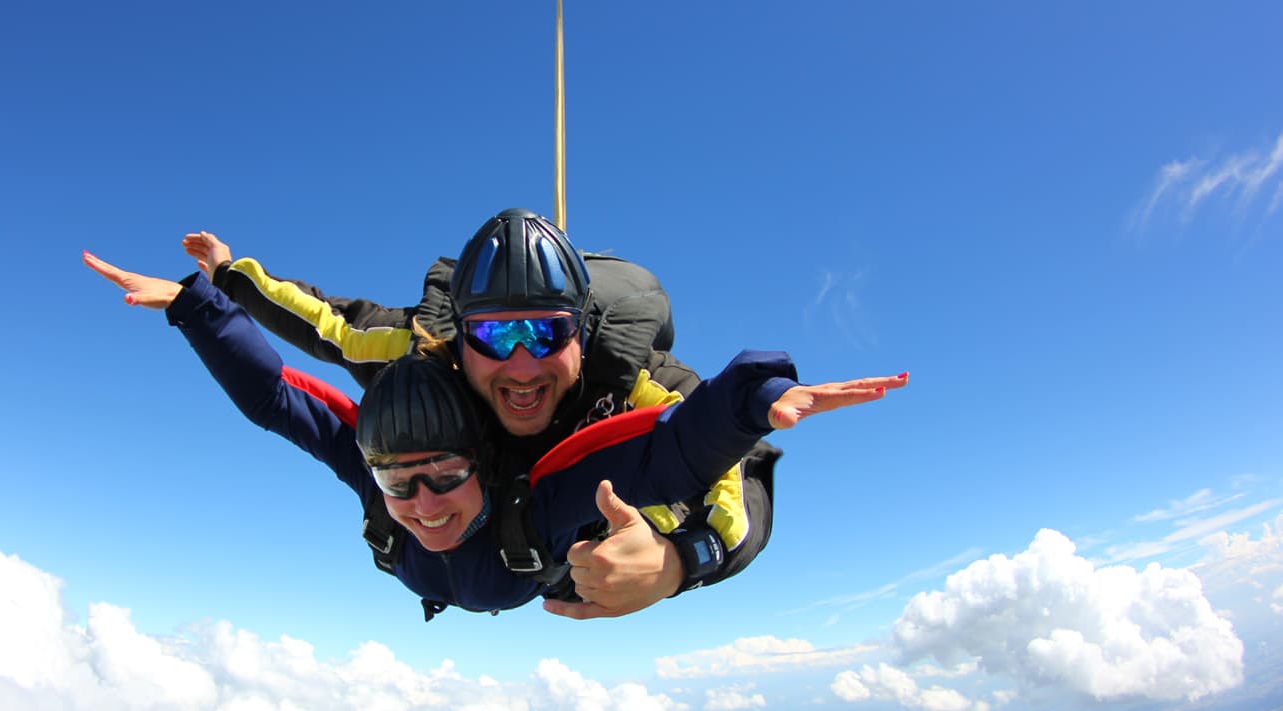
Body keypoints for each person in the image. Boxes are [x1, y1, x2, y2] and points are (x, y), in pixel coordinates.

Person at [83, 251, 903, 619]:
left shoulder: (540, 494)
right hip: (461, 573)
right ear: (463, 335)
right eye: (397, 483)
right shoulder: (411, 376)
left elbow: (678, 449)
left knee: (615, 513)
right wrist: (205, 295)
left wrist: (754, 402)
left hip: (541, 571)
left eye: (440, 475)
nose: (422, 502)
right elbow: (292, 374)